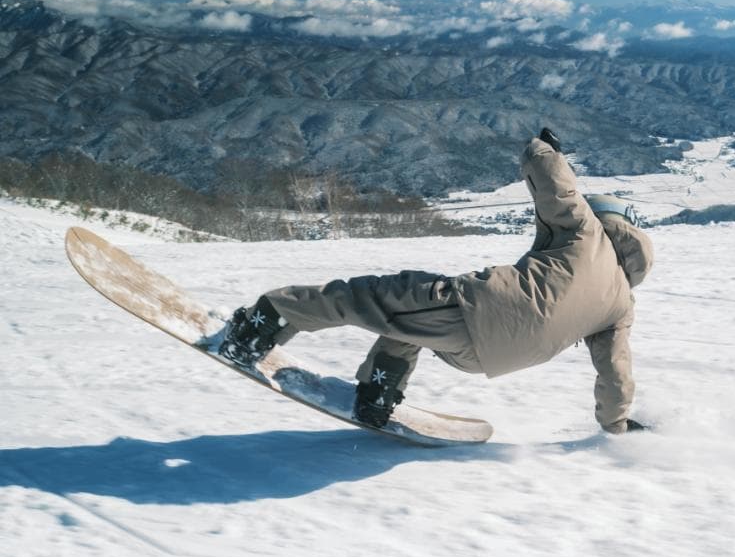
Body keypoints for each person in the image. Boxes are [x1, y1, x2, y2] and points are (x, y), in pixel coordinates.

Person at [220, 129, 653, 434]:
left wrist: (544, 148)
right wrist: (615, 425)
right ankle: (378, 392)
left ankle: (261, 324)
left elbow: (555, 185)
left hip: (476, 313)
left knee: (364, 296)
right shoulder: (621, 305)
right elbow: (615, 373)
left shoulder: (586, 230)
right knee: (408, 321)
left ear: (605, 220)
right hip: (488, 360)